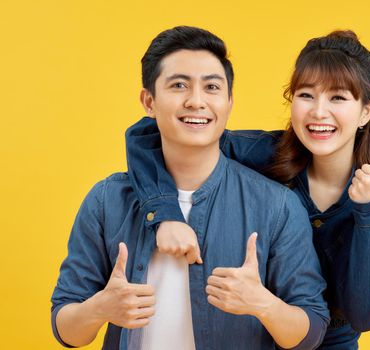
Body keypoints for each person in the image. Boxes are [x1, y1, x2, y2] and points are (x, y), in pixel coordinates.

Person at [126, 30, 370, 349]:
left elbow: (364, 315)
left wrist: (369, 215)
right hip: (251, 335)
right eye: (306, 95)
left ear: (365, 111)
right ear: (290, 100)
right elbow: (151, 133)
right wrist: (165, 214)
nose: (319, 112)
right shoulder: (261, 155)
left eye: (338, 97)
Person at [51, 26, 330, 350]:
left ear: (228, 102)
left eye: (211, 87)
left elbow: (311, 332)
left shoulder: (276, 206)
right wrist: (99, 308)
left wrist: (263, 304)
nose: (196, 101)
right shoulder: (106, 200)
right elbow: (65, 327)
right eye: (179, 85)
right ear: (149, 101)